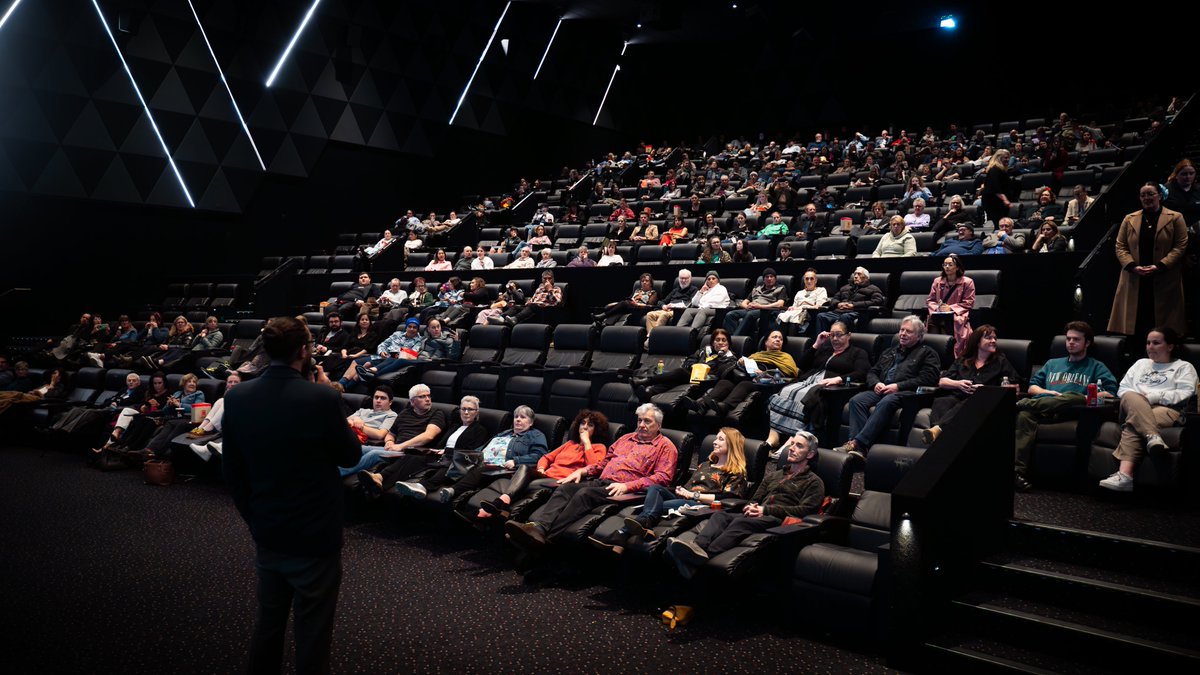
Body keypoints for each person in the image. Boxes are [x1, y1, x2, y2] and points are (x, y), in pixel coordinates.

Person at [221, 316, 362, 675]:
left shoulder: (237, 397)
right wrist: (328, 392)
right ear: (304, 350)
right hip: (315, 535)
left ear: (266, 350)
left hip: (268, 528)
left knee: (268, 625)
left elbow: (234, 473)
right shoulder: (321, 397)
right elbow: (350, 456)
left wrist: (255, 519)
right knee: (312, 635)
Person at [504, 404, 677, 557]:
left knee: (584, 494)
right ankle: (540, 528)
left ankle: (547, 540)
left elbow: (662, 478)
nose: (641, 425)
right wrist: (584, 471)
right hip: (602, 481)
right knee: (566, 488)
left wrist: (627, 485)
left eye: (647, 421)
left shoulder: (665, 446)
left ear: (659, 425)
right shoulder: (626, 439)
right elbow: (604, 463)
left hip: (627, 490)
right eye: (639, 420)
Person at [665, 430, 823, 579]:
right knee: (720, 515)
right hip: (757, 514)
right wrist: (752, 506)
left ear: (810, 454)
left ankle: (707, 555)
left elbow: (806, 510)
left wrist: (765, 509)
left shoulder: (814, 482)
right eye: (792, 444)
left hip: (778, 521)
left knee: (741, 521)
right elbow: (756, 498)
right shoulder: (774, 475)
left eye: (799, 446)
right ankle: (695, 548)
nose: (792, 448)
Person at [599, 428, 748, 551]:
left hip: (702, 505)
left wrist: (693, 495)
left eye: (721, 439)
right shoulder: (705, 465)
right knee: (655, 488)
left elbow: (727, 498)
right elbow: (688, 487)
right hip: (684, 498)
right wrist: (681, 490)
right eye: (716, 438)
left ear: (732, 444)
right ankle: (642, 523)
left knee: (655, 506)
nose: (715, 442)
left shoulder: (736, 472)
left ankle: (622, 533)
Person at [1014, 321, 1117, 491]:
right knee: (1025, 416)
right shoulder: (1052, 364)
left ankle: (1020, 405)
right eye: (1068, 339)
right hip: (1044, 410)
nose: (1070, 342)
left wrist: (1084, 397)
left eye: (1076, 339)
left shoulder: (1096, 366)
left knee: (1071, 397)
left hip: (1074, 411)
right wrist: (1047, 393)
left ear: (1087, 343)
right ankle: (1017, 473)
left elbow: (1111, 393)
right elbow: (1032, 387)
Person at [1099, 327, 1198, 492]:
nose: (1150, 346)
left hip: (1165, 409)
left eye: (1156, 343)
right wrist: (1141, 400)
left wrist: (1154, 397)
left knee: (1134, 424)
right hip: (1131, 407)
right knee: (1130, 395)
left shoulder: (1183, 367)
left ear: (1170, 346)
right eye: (1148, 343)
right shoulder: (1140, 364)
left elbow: (1186, 393)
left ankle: (1125, 475)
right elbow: (1123, 390)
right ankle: (1152, 436)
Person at [472, 410, 611, 521]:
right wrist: (541, 468)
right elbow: (546, 457)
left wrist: (586, 443)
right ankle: (501, 503)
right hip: (546, 475)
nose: (585, 427)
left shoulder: (599, 447)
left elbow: (593, 467)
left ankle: (496, 506)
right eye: (582, 423)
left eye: (590, 425)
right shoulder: (570, 444)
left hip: (561, 482)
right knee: (524, 468)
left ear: (597, 430)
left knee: (524, 485)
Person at [835, 317, 941, 460]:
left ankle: (857, 443)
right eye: (901, 330)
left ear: (919, 336)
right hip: (883, 389)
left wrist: (898, 386)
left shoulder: (927, 353)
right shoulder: (889, 351)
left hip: (906, 393)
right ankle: (859, 450)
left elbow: (929, 378)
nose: (902, 334)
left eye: (908, 331)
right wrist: (876, 383)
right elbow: (873, 371)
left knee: (888, 401)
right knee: (856, 400)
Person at [394, 405, 547, 502]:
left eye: (523, 417)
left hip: (501, 467)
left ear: (531, 422)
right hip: (481, 459)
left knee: (479, 470)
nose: (518, 420)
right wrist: (464, 455)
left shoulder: (535, 435)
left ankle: (453, 491)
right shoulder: (504, 433)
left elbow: (539, 455)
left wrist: (516, 461)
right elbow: (481, 449)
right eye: (516, 417)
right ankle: (423, 486)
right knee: (454, 460)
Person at [765, 321, 870, 448]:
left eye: (839, 335)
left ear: (849, 335)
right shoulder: (825, 349)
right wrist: (816, 344)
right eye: (832, 335)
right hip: (808, 381)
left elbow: (861, 373)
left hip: (828, 387)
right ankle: (775, 437)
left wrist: (839, 379)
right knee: (784, 391)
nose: (835, 338)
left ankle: (793, 442)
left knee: (803, 396)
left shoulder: (857, 352)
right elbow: (802, 365)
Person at [1108, 183, 1189, 338]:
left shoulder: (1176, 217)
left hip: (1164, 277)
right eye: (1143, 195)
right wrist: (1132, 266)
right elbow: (1120, 246)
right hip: (1135, 277)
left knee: (1164, 327)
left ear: (1160, 195)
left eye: (1150, 194)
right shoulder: (1129, 218)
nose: (1146, 198)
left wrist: (1160, 266)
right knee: (1137, 324)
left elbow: (1181, 245)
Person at [379, 396, 495, 502]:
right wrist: (436, 450)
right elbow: (441, 442)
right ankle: (382, 482)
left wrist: (447, 452)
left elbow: (472, 453)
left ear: (477, 412)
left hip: (457, 461)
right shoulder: (454, 426)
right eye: (463, 409)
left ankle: (423, 486)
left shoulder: (480, 430)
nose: (465, 412)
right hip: (439, 455)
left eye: (470, 409)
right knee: (412, 457)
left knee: (448, 466)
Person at [922, 325, 1022, 444]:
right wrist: (958, 384)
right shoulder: (964, 359)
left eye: (995, 338)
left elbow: (1015, 386)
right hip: (958, 396)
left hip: (983, 402)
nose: (994, 341)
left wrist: (985, 389)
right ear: (977, 342)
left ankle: (938, 432)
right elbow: (942, 381)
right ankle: (937, 435)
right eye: (989, 338)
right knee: (942, 401)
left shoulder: (1000, 361)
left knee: (970, 402)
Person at [680, 330, 799, 419]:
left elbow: (789, 374)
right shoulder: (756, 355)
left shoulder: (786, 357)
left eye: (780, 338)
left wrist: (764, 374)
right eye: (774, 337)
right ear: (766, 342)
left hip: (765, 380)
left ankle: (725, 406)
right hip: (748, 375)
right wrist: (741, 363)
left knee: (744, 384)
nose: (778, 339)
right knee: (725, 382)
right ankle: (701, 404)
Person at [351, 383, 449, 490]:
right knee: (362, 448)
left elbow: (428, 436)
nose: (427, 399)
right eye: (422, 396)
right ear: (412, 401)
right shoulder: (405, 413)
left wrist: (401, 446)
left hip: (412, 452)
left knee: (374, 453)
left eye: (428, 396)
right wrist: (389, 442)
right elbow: (391, 433)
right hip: (395, 448)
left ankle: (338, 473)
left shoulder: (437, 413)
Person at [926, 254, 976, 357]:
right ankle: (935, 354)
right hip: (938, 312)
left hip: (957, 314)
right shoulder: (937, 281)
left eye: (950, 264)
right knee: (932, 320)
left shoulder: (967, 282)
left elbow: (969, 302)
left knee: (955, 321)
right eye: (945, 264)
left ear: (957, 267)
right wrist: (937, 308)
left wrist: (951, 308)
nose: (947, 267)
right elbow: (930, 300)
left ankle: (952, 356)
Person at [815, 267, 885, 333]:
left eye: (859, 274)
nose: (855, 276)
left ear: (866, 278)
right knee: (821, 316)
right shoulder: (845, 287)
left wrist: (854, 305)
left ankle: (841, 340)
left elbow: (878, 301)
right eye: (855, 274)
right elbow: (834, 298)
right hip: (839, 311)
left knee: (845, 317)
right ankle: (821, 341)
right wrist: (838, 304)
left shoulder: (873, 288)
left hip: (857, 312)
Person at [723, 268, 788, 339]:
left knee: (750, 314)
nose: (769, 279)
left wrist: (760, 306)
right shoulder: (757, 288)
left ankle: (734, 339)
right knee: (730, 315)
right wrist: (747, 307)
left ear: (775, 279)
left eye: (771, 276)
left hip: (766, 311)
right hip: (752, 309)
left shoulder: (781, 288)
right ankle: (732, 338)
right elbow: (744, 302)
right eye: (767, 277)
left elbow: (780, 304)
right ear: (763, 279)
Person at [644, 269, 698, 338]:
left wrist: (673, 306)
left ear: (690, 279)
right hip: (667, 310)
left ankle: (652, 337)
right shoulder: (675, 290)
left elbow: (690, 304)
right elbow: (662, 301)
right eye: (681, 278)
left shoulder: (694, 289)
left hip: (678, 311)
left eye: (686, 278)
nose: (683, 280)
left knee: (664, 315)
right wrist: (664, 306)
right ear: (678, 279)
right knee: (650, 314)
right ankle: (652, 337)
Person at [981, 149, 1014, 226]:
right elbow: (995, 187)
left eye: (1008, 158)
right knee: (1000, 224)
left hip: (998, 203)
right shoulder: (995, 170)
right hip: (994, 203)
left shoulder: (1001, 170)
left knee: (1002, 224)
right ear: (999, 158)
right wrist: (1005, 199)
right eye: (1005, 158)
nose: (1008, 160)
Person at [1162, 159, 1199, 225]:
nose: (1188, 177)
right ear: (1176, 175)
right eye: (1184, 174)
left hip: (1196, 230)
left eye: (1191, 173)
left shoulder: (1198, 189)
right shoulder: (1165, 190)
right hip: (1173, 228)